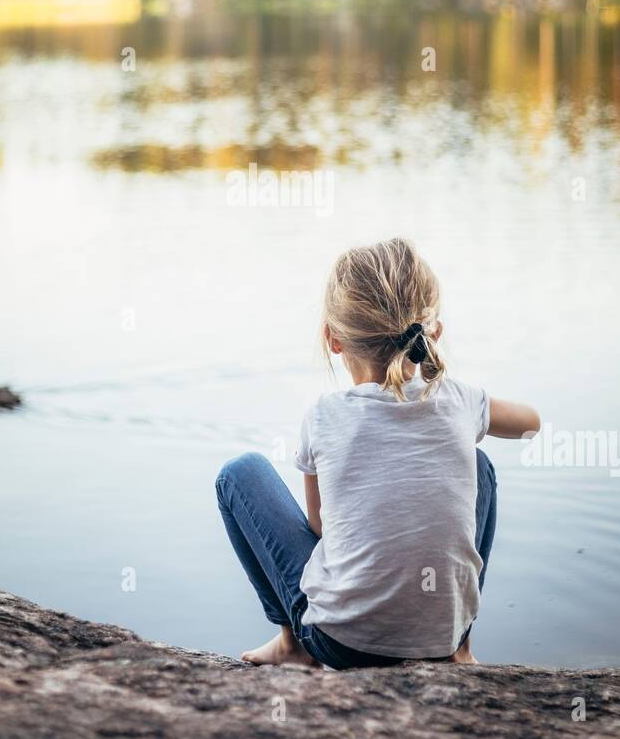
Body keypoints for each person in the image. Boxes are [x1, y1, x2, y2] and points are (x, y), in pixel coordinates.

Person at [216, 236, 539, 668]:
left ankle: (293, 645)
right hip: (437, 640)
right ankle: (461, 649)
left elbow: (320, 527)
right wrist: (467, 410)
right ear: (431, 332)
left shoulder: (324, 415)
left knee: (240, 472)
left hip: (340, 644)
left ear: (333, 339)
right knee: (479, 465)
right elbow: (530, 424)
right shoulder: (461, 399)